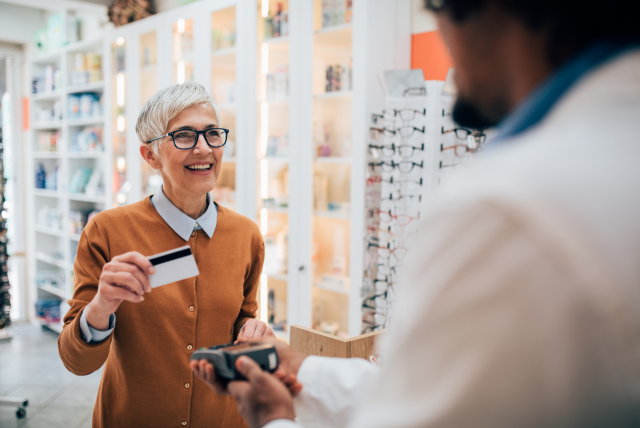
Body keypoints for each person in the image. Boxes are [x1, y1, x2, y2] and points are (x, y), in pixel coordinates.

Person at [192, 0, 640, 427]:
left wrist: (274, 419)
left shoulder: (504, 207)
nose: (440, 33)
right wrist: (305, 369)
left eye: (438, 8)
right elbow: (461, 396)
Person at [59, 82, 274, 428]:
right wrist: (101, 306)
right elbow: (76, 361)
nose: (204, 148)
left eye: (212, 134)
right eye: (185, 136)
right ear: (150, 155)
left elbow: (243, 327)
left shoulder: (246, 235)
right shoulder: (106, 232)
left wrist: (255, 336)